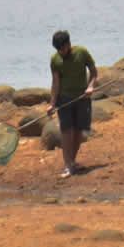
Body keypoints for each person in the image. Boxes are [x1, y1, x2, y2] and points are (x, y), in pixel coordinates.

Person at [47, 30, 98, 178]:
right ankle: (68, 166)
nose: (61, 52)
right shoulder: (55, 59)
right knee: (66, 132)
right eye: (58, 49)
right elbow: (55, 83)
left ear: (69, 44)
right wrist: (52, 103)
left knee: (78, 132)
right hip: (64, 100)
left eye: (63, 48)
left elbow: (94, 73)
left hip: (82, 98)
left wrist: (90, 87)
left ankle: (72, 162)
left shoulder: (82, 52)